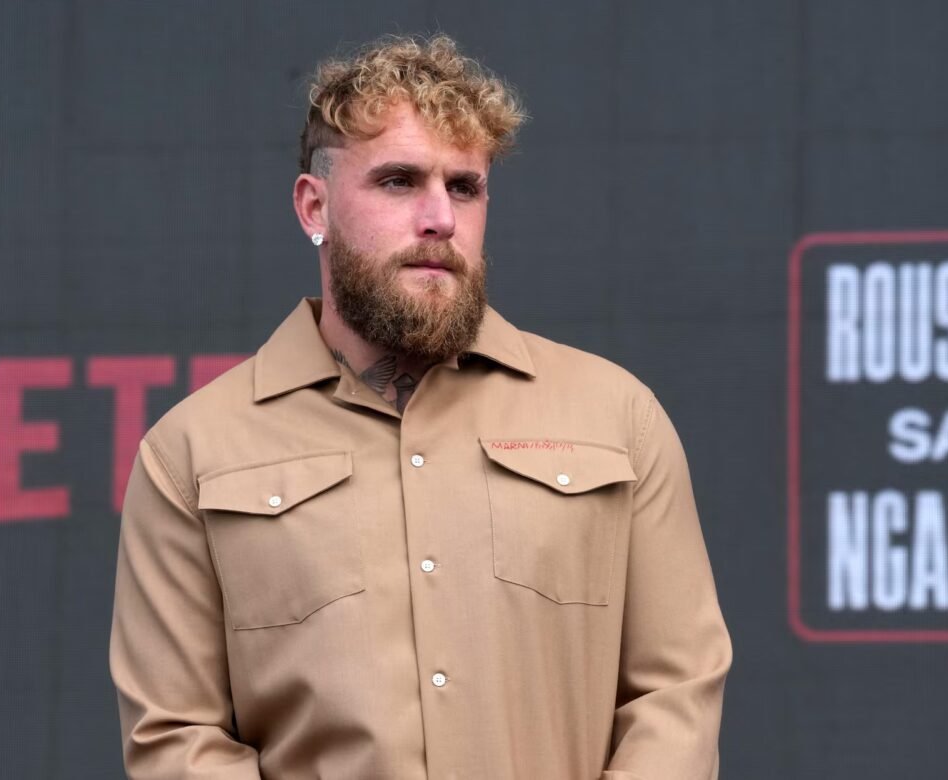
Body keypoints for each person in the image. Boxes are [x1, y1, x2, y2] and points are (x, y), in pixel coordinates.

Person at [110, 34, 731, 780]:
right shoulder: (190, 453)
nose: (440, 218)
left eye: (464, 187)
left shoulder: (619, 420)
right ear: (314, 205)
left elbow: (676, 694)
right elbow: (177, 738)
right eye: (399, 181)